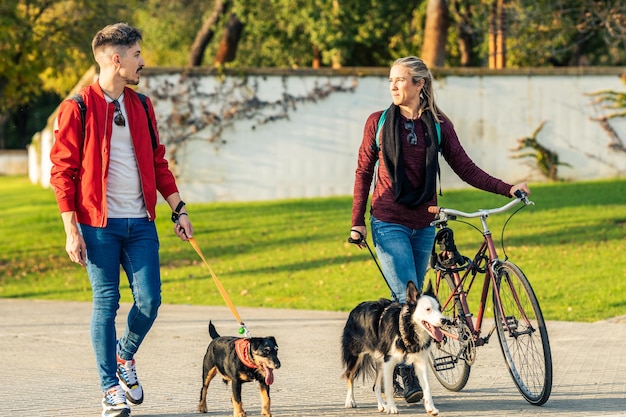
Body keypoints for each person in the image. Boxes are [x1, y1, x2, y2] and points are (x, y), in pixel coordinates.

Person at [349, 56, 530, 404]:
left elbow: (466, 168)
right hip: (388, 221)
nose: (393, 86)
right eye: (390, 80)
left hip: (425, 223)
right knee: (406, 297)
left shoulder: (438, 125)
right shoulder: (378, 122)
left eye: (400, 80)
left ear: (420, 84)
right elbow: (362, 172)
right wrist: (358, 221)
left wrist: (507, 188)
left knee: (416, 301)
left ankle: (405, 360)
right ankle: (403, 375)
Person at [50, 23, 193, 417]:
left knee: (150, 300)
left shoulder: (142, 106)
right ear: (117, 59)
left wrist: (178, 209)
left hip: (141, 223)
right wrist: (70, 230)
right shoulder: (77, 107)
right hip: (98, 226)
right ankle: (110, 388)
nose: (142, 62)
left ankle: (124, 355)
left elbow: (158, 162)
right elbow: (62, 172)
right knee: (106, 303)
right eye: (136, 55)